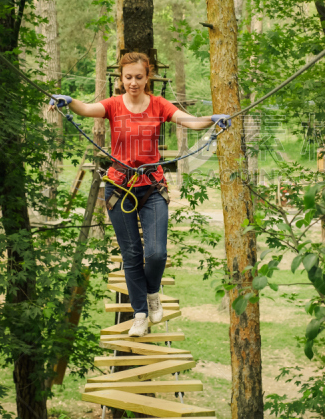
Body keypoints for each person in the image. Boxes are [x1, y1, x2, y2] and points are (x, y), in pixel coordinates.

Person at [47, 51, 230, 337]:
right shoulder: (113, 105)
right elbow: (85, 109)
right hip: (119, 188)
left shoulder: (159, 104)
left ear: (148, 77)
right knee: (131, 255)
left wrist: (212, 119)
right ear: (121, 78)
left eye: (139, 77)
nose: (133, 82)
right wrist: (68, 101)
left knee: (156, 253)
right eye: (128, 77)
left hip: (152, 187)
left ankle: (152, 292)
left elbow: (190, 121)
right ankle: (141, 314)